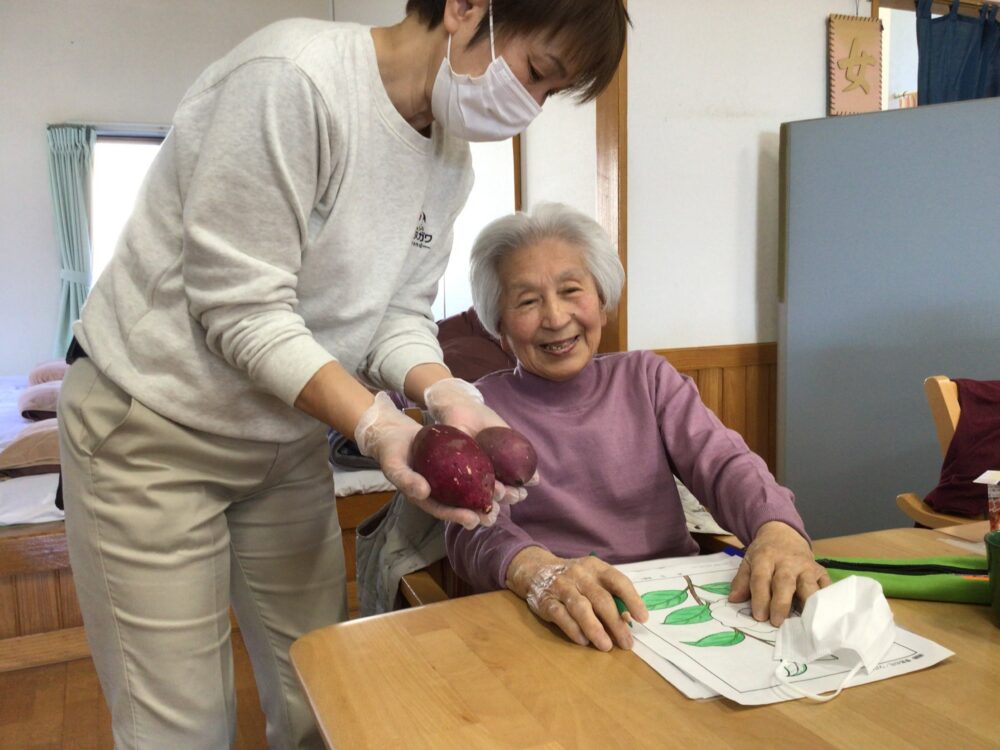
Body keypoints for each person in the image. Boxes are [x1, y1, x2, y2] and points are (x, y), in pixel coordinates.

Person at [56, 2, 630, 748]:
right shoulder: (295, 81)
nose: (529, 107)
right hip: (153, 427)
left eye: (549, 95)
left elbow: (395, 313)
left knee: (322, 688)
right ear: (465, 8)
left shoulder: (449, 158)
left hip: (282, 436)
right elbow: (239, 310)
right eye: (538, 73)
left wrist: (446, 393)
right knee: (183, 725)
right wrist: (378, 423)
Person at [445, 203, 832, 653]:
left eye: (571, 290)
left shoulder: (648, 378)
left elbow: (723, 462)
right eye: (528, 301)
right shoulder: (478, 409)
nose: (555, 317)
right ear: (501, 327)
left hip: (672, 604)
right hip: (555, 617)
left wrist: (776, 528)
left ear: (603, 303)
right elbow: (472, 531)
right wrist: (536, 570)